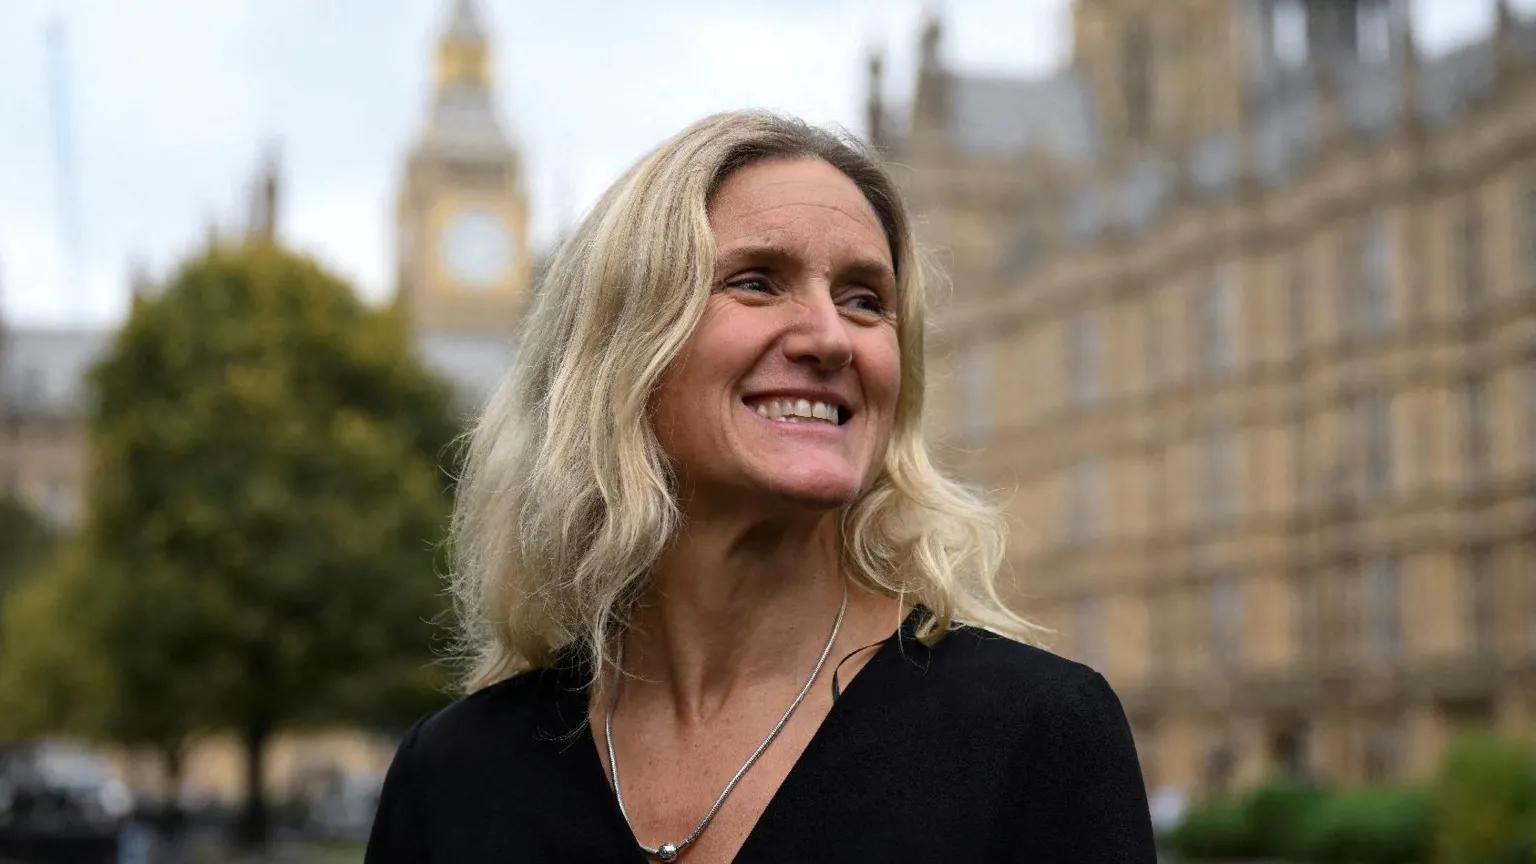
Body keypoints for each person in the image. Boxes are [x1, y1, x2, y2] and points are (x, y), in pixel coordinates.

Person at [364, 110, 1156, 863]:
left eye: (865, 301)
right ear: (615, 350)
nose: (829, 337)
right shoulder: (454, 774)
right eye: (756, 282)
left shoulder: (1036, 735)